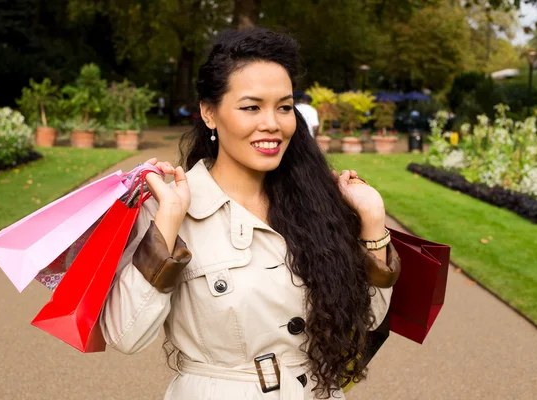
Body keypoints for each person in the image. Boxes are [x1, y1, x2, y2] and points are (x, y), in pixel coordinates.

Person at [100, 28, 400, 400]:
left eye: (284, 107)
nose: (272, 123)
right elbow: (125, 336)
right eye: (251, 107)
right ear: (209, 113)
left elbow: (363, 320)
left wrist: (371, 220)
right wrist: (165, 225)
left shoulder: (319, 202)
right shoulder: (168, 207)